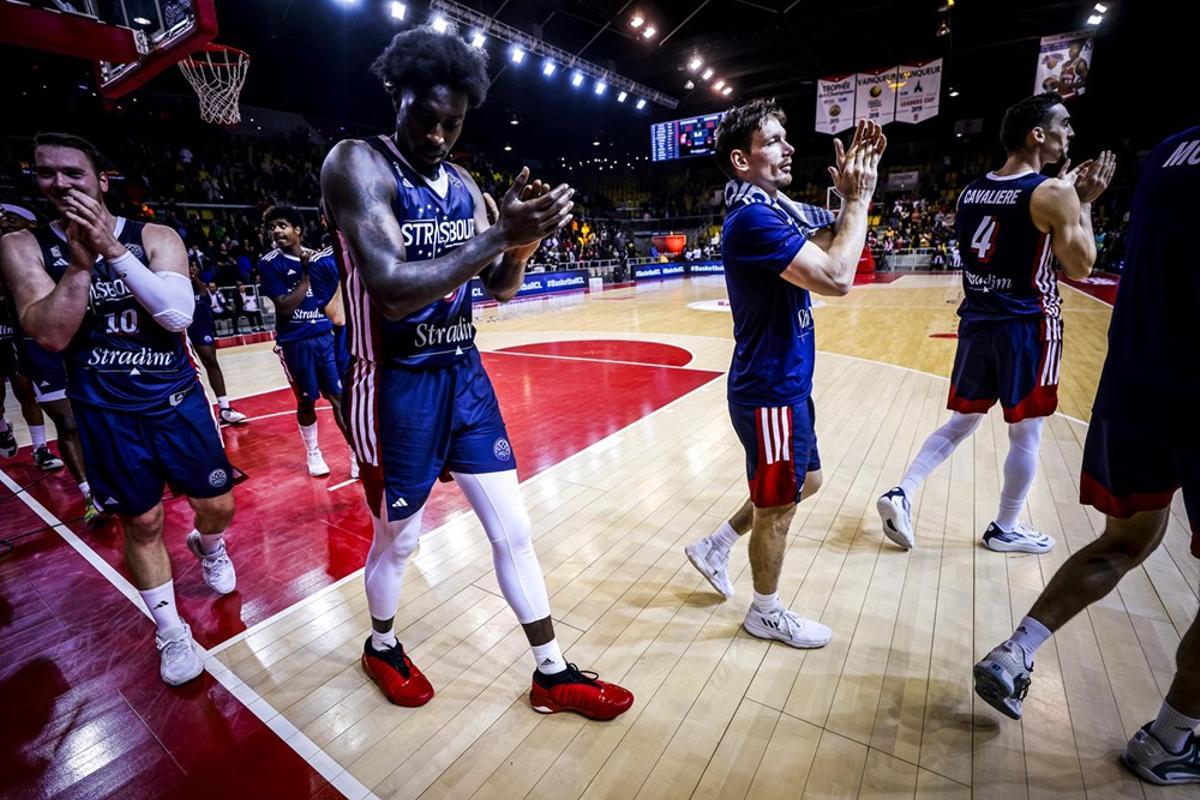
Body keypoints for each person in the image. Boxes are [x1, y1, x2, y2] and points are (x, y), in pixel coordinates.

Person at [320, 26, 633, 720]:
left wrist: (520, 245)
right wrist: (498, 233)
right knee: (401, 538)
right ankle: (382, 645)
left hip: (464, 375)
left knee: (514, 530)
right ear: (394, 94)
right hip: (394, 383)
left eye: (451, 124)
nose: (436, 135)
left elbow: (499, 287)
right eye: (424, 117)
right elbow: (393, 288)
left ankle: (551, 673)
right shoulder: (356, 165)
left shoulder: (464, 184)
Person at [974, 124, 1199, 785]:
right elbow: (1082, 265)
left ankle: (1016, 652)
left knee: (1124, 542)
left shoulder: (1168, 149)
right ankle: (1171, 738)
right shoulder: (1046, 191)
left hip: (1134, 384)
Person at [0, 132, 238, 686]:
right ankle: (171, 631)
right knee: (142, 518)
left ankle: (209, 545)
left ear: (101, 180)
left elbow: (177, 316)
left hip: (174, 399)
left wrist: (110, 250)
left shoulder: (154, 234)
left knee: (219, 505)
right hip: (104, 409)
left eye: (72, 172)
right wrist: (80, 267)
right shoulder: (23, 247)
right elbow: (51, 335)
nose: (58, 183)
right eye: (44, 173)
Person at [681, 100, 885, 649]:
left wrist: (850, 199)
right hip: (769, 389)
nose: (788, 146)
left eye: (784, 136)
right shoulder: (751, 219)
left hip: (787, 383)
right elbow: (840, 276)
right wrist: (858, 199)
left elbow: (832, 241)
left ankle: (716, 544)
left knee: (806, 482)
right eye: (772, 140)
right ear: (741, 160)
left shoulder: (775, 209)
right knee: (778, 506)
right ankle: (764, 612)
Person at [876, 92, 1115, 553]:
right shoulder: (1054, 194)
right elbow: (1082, 266)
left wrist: (1064, 193)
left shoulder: (971, 191)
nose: (1071, 133)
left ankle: (901, 491)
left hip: (978, 322)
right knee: (1028, 431)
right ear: (1037, 134)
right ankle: (1006, 526)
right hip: (1028, 324)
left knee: (961, 421)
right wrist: (1083, 203)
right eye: (1063, 124)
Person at [255, 206, 355, 478]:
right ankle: (313, 452)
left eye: (283, 225)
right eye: (273, 226)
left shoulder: (319, 259)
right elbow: (284, 307)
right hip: (295, 342)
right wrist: (307, 277)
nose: (276, 230)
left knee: (339, 397)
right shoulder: (269, 263)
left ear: (298, 230)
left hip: (325, 337)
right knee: (307, 401)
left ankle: (355, 453)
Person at [186, 263, 247, 425]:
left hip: (199, 322)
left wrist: (193, 277)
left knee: (211, 361)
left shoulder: (197, 284)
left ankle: (225, 408)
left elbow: (204, 293)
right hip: (175, 323)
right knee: (181, 369)